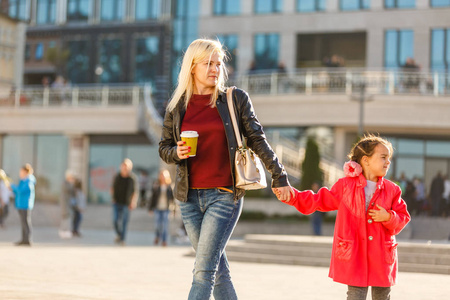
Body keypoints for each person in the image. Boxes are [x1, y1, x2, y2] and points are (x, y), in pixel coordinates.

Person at [159, 38, 291, 299]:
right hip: (189, 199)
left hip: (224, 195)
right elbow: (164, 148)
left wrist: (280, 175)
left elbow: (257, 139)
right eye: (208, 63)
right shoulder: (177, 107)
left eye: (218, 64)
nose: (214, 69)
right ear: (192, 67)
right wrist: (177, 152)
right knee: (218, 272)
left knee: (203, 271)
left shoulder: (235, 99)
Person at [277, 135, 411, 300]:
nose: (388, 162)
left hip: (382, 255)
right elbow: (319, 200)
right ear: (366, 160)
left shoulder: (392, 190)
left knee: (383, 296)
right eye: (383, 157)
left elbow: (403, 217)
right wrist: (293, 196)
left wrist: (388, 216)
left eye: (389, 158)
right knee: (355, 295)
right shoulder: (346, 186)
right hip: (356, 254)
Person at [111, 158, 138, 246]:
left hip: (126, 203)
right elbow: (112, 188)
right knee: (115, 220)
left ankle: (122, 239)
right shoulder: (117, 176)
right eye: (124, 166)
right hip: (117, 202)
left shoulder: (132, 178)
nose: (125, 168)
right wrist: (113, 198)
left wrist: (133, 202)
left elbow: (134, 191)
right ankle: (119, 234)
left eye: (127, 166)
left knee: (124, 222)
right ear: (121, 167)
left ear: (130, 168)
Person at [11, 164, 36, 246]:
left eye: (21, 171)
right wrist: (12, 189)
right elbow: (18, 192)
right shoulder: (23, 180)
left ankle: (28, 239)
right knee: (23, 222)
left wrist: (12, 186)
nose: (20, 173)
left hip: (25, 204)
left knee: (26, 222)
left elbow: (21, 190)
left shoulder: (29, 181)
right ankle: (24, 239)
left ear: (25, 172)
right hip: (20, 204)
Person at [148, 170, 174, 247]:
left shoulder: (169, 187)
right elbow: (152, 198)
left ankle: (164, 240)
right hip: (158, 208)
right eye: (161, 175)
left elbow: (172, 200)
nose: (162, 177)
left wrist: (173, 210)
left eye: (164, 175)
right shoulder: (156, 185)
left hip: (166, 209)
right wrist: (150, 208)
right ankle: (157, 236)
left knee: (165, 225)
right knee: (157, 225)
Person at [60, 170, 75, 239]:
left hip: (68, 204)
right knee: (65, 218)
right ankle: (64, 231)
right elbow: (69, 191)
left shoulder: (68, 183)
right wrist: (72, 184)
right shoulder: (66, 184)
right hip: (65, 204)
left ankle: (66, 231)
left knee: (67, 218)